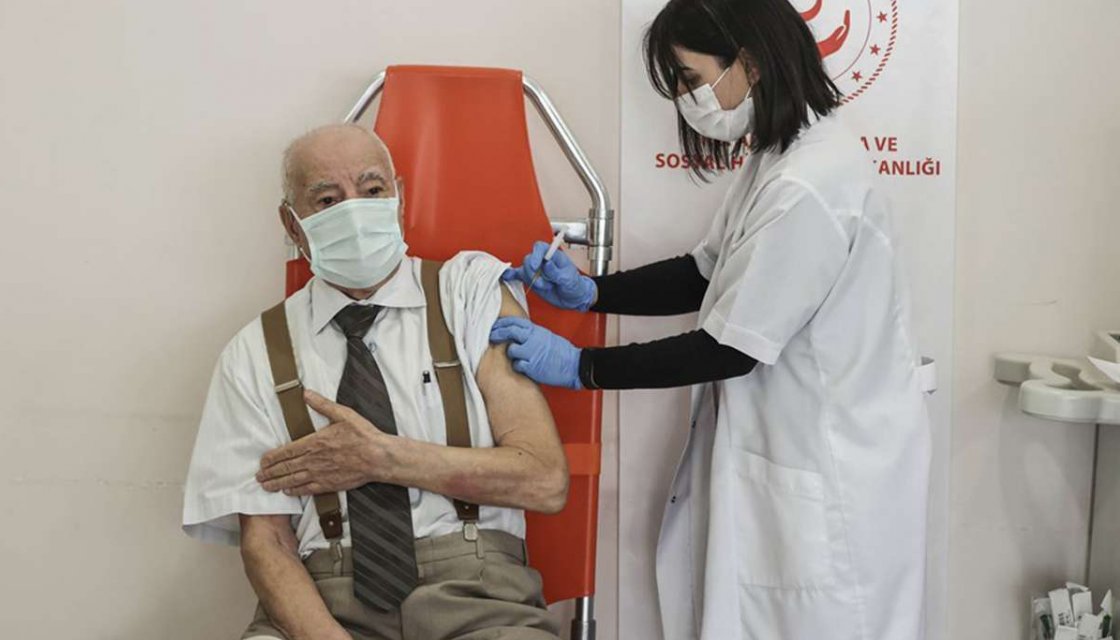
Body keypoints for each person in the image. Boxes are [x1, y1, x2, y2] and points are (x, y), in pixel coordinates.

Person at [490, 0, 932, 638]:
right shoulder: (778, 159)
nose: (685, 100)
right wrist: (591, 292)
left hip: (831, 478)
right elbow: (705, 271)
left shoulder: (809, 185)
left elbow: (728, 350)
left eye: (691, 79)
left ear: (749, 63)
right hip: (793, 458)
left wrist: (581, 366)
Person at [182, 124, 567, 640]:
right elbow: (266, 543)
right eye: (327, 200)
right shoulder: (253, 353)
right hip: (325, 604)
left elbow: (544, 479)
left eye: (372, 190)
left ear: (398, 198)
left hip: (481, 599)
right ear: (292, 224)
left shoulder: (469, 294)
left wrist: (382, 458)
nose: (355, 212)